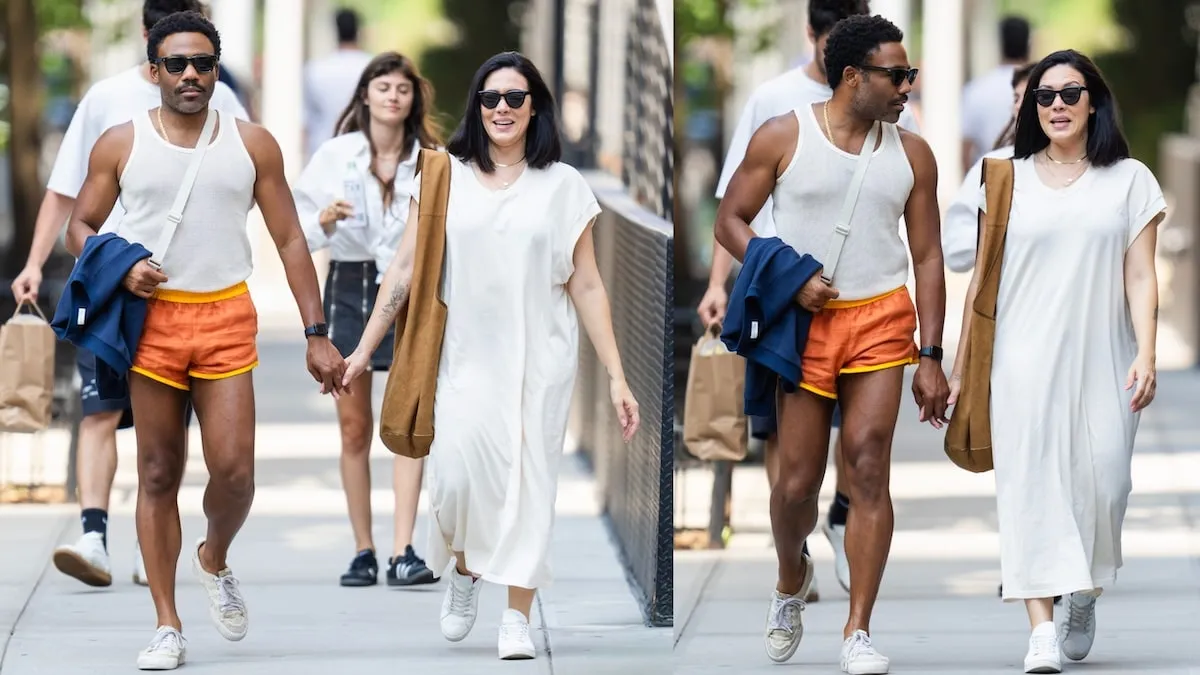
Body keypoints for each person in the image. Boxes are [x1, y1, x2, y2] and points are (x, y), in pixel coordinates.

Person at [62, 11, 346, 670]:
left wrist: (317, 332)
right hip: (153, 322)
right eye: (178, 64)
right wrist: (120, 263)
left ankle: (214, 554)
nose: (192, 75)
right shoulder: (121, 141)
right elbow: (79, 224)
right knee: (157, 472)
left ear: (217, 70)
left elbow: (291, 239)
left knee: (235, 473)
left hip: (225, 318)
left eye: (203, 64)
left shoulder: (253, 143)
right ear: (155, 70)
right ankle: (167, 623)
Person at [340, 51, 640, 661]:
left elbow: (585, 284)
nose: (501, 108)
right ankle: (464, 568)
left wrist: (616, 376)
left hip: (540, 362)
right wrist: (361, 351)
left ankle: (516, 620)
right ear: (477, 107)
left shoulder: (563, 186)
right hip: (462, 361)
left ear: (535, 109)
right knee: (451, 481)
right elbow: (402, 270)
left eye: (515, 98)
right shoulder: (441, 176)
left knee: (530, 490)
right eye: (490, 98)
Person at [714, 15, 949, 673]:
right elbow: (730, 220)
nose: (907, 86)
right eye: (896, 75)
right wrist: (788, 275)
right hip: (805, 325)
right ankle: (791, 575)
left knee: (869, 461)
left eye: (911, 75)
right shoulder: (784, 134)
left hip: (881, 318)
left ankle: (858, 629)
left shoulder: (913, 153)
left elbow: (928, 257)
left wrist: (930, 355)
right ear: (854, 77)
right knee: (795, 485)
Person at [9, 0, 248, 591]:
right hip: (110, 284)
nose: (187, 68)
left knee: (163, 437)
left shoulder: (222, 100)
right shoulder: (106, 101)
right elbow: (66, 194)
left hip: (187, 295)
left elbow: (243, 169)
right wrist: (35, 263)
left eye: (200, 56)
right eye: (169, 51)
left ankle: (153, 543)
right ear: (150, 44)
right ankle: (94, 532)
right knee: (100, 409)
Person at [947, 49, 1165, 674]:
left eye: (1071, 93)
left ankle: (1085, 589)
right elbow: (981, 284)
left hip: (1106, 356)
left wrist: (1147, 353)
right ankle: (1040, 628)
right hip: (1020, 360)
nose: (1057, 106)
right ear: (1030, 107)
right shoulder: (1002, 176)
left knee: (1107, 484)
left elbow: (1142, 276)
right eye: (1044, 96)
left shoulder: (1129, 179)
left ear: (1094, 100)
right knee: (1030, 490)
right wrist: (963, 369)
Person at [293, 51, 442, 588]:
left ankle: (405, 548)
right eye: (383, 87)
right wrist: (325, 220)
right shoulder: (336, 155)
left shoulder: (430, 159)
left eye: (403, 88)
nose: (393, 96)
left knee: (405, 422)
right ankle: (363, 549)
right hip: (350, 286)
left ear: (413, 98)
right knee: (354, 427)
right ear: (364, 95)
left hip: (407, 292)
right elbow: (297, 232)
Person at [944, 62, 1035, 274]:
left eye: (1030, 96)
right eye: (1016, 98)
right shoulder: (997, 164)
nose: (1020, 106)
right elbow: (956, 250)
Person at [303, 7, 373, 161]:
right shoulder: (372, 67)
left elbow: (307, 120)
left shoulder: (315, 69)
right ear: (358, 30)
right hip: (364, 151)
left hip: (323, 149)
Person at [961, 15, 1031, 169]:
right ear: (1028, 43)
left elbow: (965, 148)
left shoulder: (976, 89)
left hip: (988, 175)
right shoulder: (1039, 86)